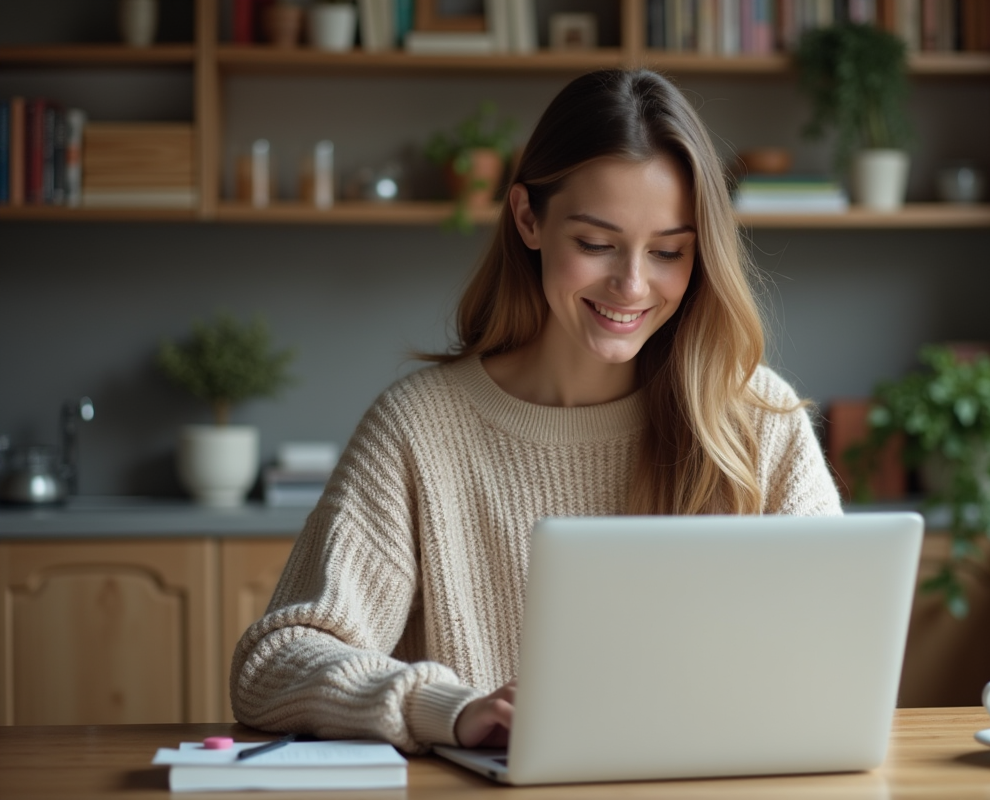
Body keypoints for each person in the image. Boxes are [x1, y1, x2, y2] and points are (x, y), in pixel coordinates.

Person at [230, 68, 842, 753]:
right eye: (595, 243)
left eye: (668, 251)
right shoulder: (419, 430)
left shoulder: (755, 417)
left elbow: (839, 655)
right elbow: (274, 664)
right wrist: (450, 708)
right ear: (528, 218)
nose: (633, 285)